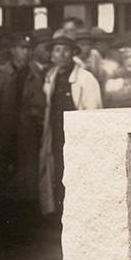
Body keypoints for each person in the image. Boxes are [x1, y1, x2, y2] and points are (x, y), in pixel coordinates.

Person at [40, 31, 102, 215]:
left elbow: (93, 110)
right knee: (57, 172)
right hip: (56, 132)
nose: (60, 54)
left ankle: (77, 213)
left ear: (73, 53)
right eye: (56, 50)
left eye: (65, 50)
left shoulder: (85, 78)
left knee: (76, 173)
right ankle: (59, 213)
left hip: (76, 134)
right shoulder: (50, 75)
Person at [0, 32, 46, 241]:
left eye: (28, 49)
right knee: (4, 177)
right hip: (4, 131)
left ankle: (23, 229)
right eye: (21, 48)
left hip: (27, 132)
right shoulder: (2, 72)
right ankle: (5, 227)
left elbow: (40, 103)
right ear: (13, 50)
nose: (25, 53)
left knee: (26, 178)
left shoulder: (36, 73)